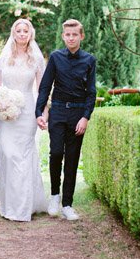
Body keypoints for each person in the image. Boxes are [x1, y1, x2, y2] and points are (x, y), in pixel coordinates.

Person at [35, 19, 97, 221]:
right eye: (67, 35)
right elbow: (45, 86)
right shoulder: (55, 57)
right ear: (63, 36)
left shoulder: (89, 60)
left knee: (72, 158)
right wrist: (39, 112)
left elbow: (91, 92)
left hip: (78, 114)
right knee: (55, 153)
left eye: (74, 34)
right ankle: (55, 195)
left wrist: (85, 117)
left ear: (81, 36)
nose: (71, 38)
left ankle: (68, 204)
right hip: (58, 112)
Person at [0, 18, 49, 221]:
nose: (22, 34)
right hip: (6, 114)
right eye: (19, 30)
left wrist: (43, 114)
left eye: (26, 31)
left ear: (30, 34)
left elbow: (42, 89)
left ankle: (22, 208)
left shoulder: (36, 59)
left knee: (23, 157)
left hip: (27, 115)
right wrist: (0, 103)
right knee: (8, 154)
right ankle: (8, 205)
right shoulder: (5, 57)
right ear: (13, 33)